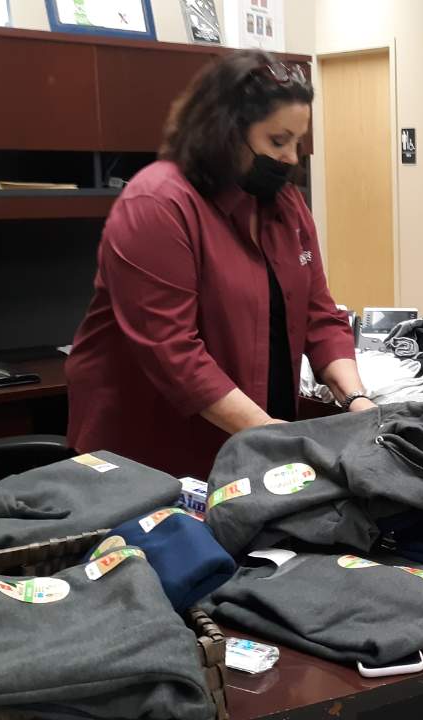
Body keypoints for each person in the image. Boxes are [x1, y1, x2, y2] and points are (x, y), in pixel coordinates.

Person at [66, 50, 373, 479]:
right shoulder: (157, 202)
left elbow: (318, 314)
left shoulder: (285, 203)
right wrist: (271, 435)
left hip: (252, 442)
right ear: (226, 131)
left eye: (297, 143)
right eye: (277, 141)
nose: (290, 158)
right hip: (149, 457)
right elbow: (174, 353)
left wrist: (358, 401)